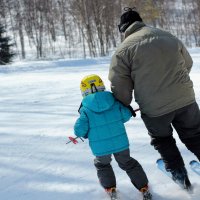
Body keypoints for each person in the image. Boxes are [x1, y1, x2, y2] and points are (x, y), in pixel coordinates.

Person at [108, 7, 200, 189]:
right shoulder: (168, 36)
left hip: (154, 109)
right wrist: (176, 85)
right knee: (196, 135)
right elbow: (187, 63)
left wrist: (124, 104)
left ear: (123, 29)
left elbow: (119, 84)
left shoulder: (124, 49)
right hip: (186, 100)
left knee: (163, 140)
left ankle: (179, 174)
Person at [74, 74, 152, 200]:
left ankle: (110, 188)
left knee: (103, 165)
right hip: (120, 143)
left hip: (100, 148)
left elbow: (79, 130)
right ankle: (143, 187)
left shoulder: (85, 109)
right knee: (128, 163)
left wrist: (83, 133)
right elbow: (125, 115)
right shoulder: (113, 101)